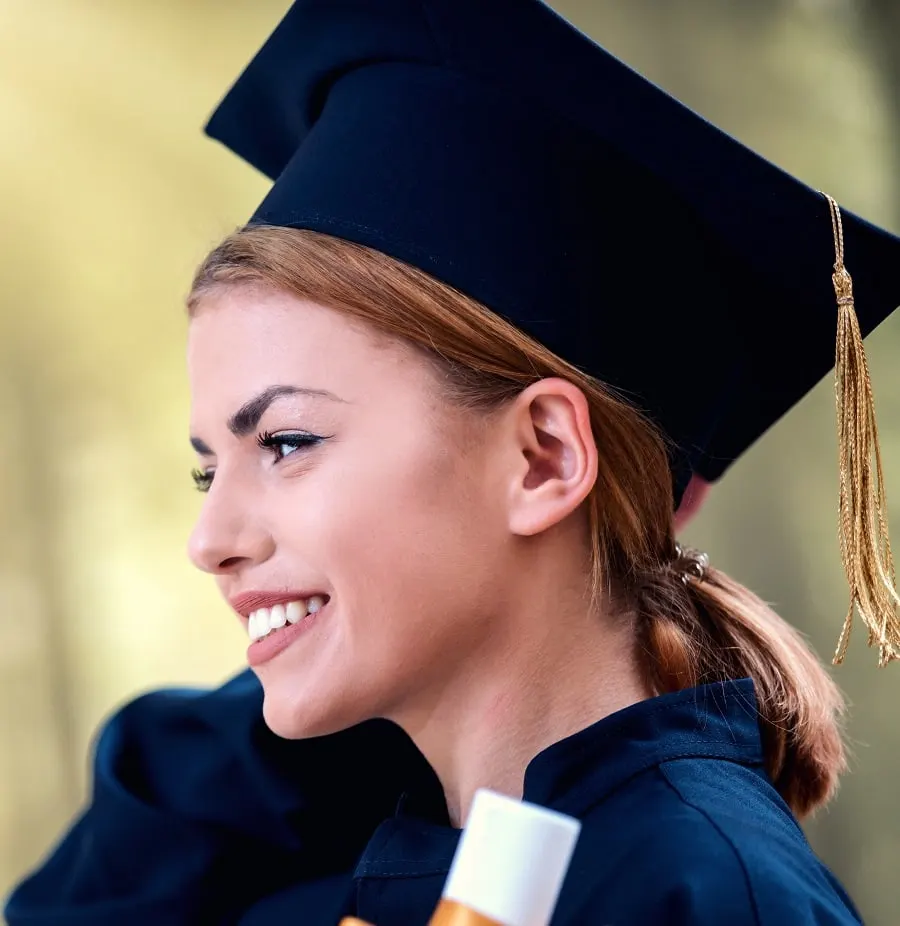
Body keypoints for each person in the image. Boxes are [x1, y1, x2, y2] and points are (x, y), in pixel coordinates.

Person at [7, 1, 900, 923]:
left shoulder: (702, 895)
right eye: (209, 468)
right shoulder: (386, 863)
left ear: (544, 459)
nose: (209, 541)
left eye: (286, 443)